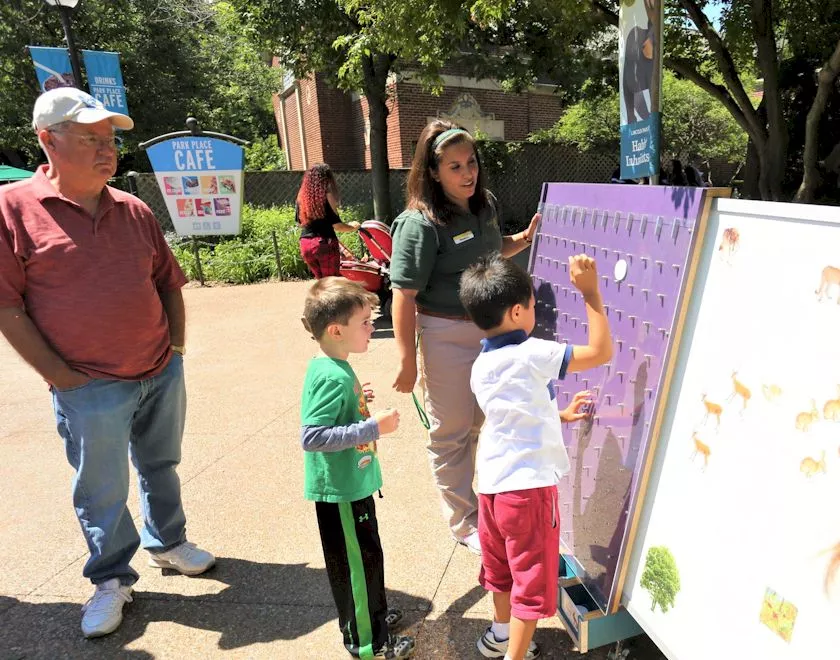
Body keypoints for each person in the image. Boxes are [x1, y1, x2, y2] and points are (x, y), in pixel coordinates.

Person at [0, 88, 214, 638]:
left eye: (110, 139)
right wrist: (60, 375)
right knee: (101, 486)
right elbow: (7, 306)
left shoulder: (133, 208)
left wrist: (178, 351)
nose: (107, 149)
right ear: (48, 140)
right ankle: (112, 577)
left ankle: (168, 543)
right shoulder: (13, 209)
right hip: (88, 383)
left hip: (159, 369)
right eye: (90, 138)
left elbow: (169, 284)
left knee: (160, 464)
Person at [389, 120, 539, 554]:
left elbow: (490, 248)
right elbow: (403, 296)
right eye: (454, 166)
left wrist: (521, 240)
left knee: (481, 423)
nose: (467, 172)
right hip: (446, 334)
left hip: (492, 333)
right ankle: (464, 522)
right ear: (433, 172)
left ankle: (485, 508)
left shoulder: (484, 204)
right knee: (452, 430)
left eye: (471, 162)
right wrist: (406, 359)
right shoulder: (418, 224)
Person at [459, 253, 612, 660]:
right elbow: (600, 352)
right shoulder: (532, 353)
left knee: (502, 573)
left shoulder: (481, 364)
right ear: (515, 311)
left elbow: (514, 413)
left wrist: (558, 414)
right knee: (530, 584)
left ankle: (498, 638)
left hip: (491, 489)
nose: (534, 312)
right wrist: (591, 293)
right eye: (530, 305)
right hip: (527, 492)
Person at [300, 277, 416, 659]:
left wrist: (357, 404)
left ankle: (375, 617)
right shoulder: (331, 374)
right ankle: (368, 641)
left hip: (353, 486)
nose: (372, 328)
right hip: (342, 492)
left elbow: (332, 419)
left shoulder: (336, 365)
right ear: (336, 330)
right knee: (356, 568)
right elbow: (313, 436)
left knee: (368, 558)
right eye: (365, 322)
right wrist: (372, 427)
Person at [296, 163, 361, 278]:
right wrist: (353, 227)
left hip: (305, 244)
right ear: (327, 179)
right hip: (324, 244)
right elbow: (338, 226)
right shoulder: (327, 195)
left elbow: (300, 224)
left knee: (321, 283)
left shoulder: (301, 198)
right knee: (331, 283)